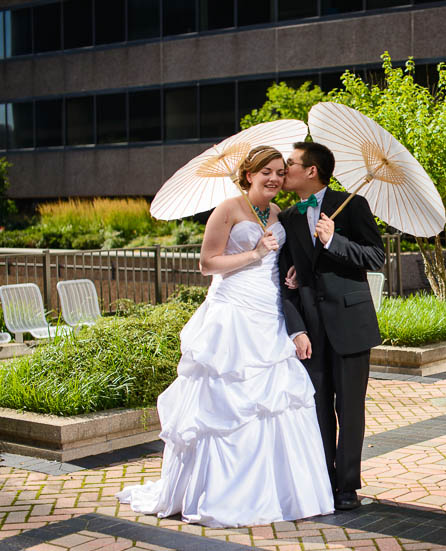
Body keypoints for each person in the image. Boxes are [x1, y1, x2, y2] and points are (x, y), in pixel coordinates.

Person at [116, 145, 334, 527]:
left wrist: (292, 272)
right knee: (226, 399)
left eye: (281, 172)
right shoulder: (227, 209)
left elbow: (279, 261)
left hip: (269, 312)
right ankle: (223, 493)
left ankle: (278, 493)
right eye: (267, 171)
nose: (275, 179)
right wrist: (253, 253)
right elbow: (207, 263)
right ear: (249, 174)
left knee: (275, 400)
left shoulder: (280, 214)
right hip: (232, 311)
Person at [278, 141, 385, 511]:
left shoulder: (353, 205)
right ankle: (322, 479)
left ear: (311, 171)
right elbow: (285, 279)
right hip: (311, 328)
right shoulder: (289, 217)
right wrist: (296, 328)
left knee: (350, 408)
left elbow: (376, 257)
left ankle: (346, 485)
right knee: (317, 406)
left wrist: (332, 239)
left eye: (290, 164)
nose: (284, 170)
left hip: (351, 323)